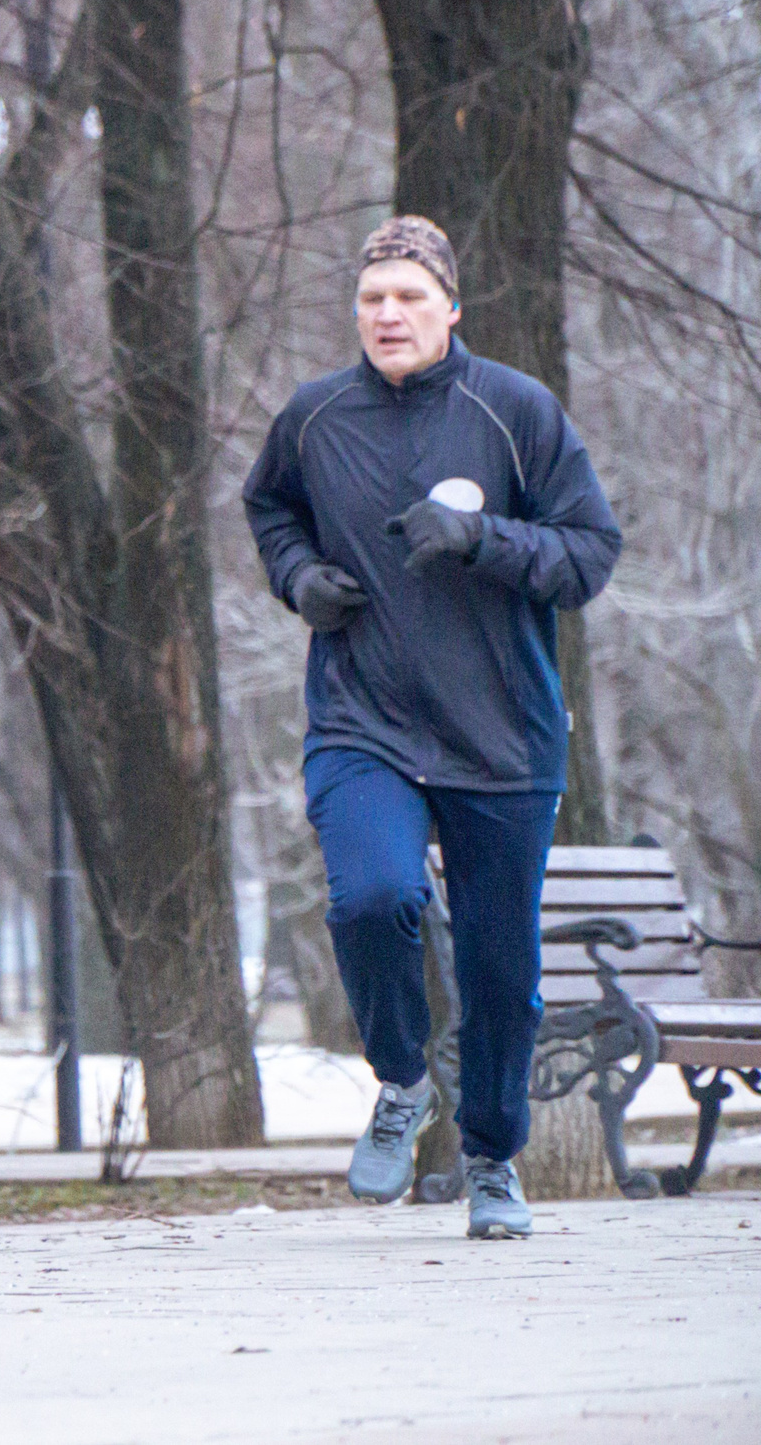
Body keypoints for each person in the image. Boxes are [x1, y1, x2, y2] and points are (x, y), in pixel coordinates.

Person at [243, 215, 621, 1239]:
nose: (387, 314)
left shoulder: (514, 412)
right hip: (360, 718)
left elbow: (588, 552)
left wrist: (480, 538)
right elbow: (267, 509)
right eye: (371, 299)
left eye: (409, 296)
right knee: (373, 896)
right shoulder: (314, 418)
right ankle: (402, 1079)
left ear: (449, 306)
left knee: (499, 970)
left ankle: (492, 1157)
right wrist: (297, 579)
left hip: (500, 733)